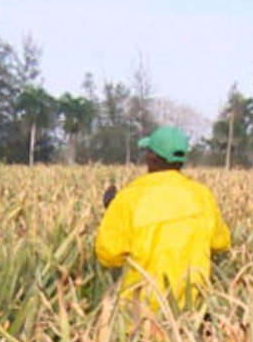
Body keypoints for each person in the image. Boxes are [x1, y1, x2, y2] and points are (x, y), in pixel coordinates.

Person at [96, 125, 232, 309]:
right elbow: (221, 243)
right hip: (192, 312)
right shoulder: (202, 196)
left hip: (140, 314)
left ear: (151, 157)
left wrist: (111, 210)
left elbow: (108, 255)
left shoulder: (129, 198)